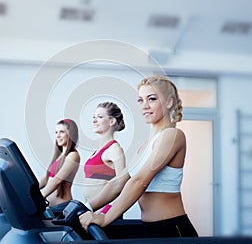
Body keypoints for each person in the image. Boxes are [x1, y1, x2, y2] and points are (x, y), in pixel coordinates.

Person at [79, 75, 198, 238]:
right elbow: (121, 181)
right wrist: (86, 207)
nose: (145, 106)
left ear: (169, 102)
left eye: (152, 99)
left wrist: (105, 217)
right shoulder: (145, 145)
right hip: (149, 228)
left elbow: (140, 181)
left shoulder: (173, 135)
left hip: (171, 229)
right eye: (141, 100)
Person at [82, 102, 129, 214]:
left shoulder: (114, 149)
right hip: (92, 212)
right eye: (94, 117)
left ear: (112, 121)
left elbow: (123, 185)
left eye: (100, 117)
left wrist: (105, 213)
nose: (94, 120)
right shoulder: (97, 151)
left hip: (105, 214)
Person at [39, 119, 80, 213]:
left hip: (62, 208)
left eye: (61, 132)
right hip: (52, 209)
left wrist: (40, 196)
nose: (57, 136)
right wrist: (29, 191)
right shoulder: (58, 157)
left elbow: (57, 180)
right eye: (56, 132)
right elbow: (46, 179)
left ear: (71, 134)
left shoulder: (73, 155)